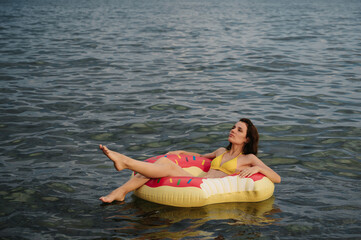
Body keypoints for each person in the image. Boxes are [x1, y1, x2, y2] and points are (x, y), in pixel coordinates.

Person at [99, 118, 281, 203]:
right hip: (198, 179)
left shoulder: (248, 158)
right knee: (163, 163)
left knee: (165, 166)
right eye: (233, 127)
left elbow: (277, 178)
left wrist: (259, 170)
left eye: (239, 130)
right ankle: (121, 189)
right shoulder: (220, 151)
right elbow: (200, 157)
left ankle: (125, 163)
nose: (233, 130)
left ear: (247, 139)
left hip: (207, 186)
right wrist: (180, 151)